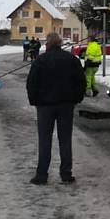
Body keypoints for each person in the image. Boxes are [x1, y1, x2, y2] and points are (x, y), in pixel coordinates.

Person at [26, 32, 86, 185]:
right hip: (66, 105)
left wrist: (34, 101)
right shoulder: (71, 60)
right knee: (65, 139)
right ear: (59, 43)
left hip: (45, 107)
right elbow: (81, 81)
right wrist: (76, 99)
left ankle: (41, 175)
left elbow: (31, 83)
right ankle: (66, 173)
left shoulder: (40, 61)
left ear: (48, 44)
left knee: (44, 140)